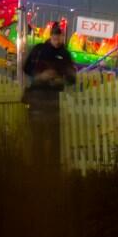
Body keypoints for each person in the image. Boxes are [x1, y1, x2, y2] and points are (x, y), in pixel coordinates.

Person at [22, 22, 76, 166]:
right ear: (51, 36)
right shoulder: (39, 50)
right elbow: (26, 68)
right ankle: (37, 170)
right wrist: (40, 76)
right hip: (38, 100)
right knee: (37, 137)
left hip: (54, 102)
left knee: (54, 138)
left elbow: (72, 78)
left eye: (60, 37)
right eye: (55, 37)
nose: (58, 40)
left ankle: (53, 171)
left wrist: (61, 78)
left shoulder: (65, 54)